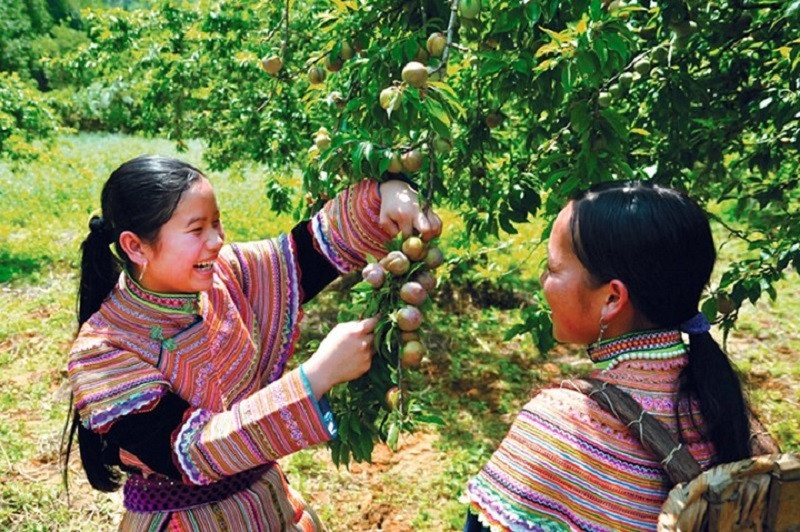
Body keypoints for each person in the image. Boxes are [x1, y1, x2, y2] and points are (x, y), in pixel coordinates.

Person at [64, 155, 441, 530]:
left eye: (216, 222)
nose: (216, 240)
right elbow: (189, 451)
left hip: (269, 505)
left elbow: (312, 250)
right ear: (135, 246)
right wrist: (314, 378)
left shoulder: (225, 276)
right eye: (197, 230)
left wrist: (383, 194)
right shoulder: (104, 352)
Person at [464, 180, 765, 531]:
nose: (543, 279)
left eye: (553, 268)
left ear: (612, 299)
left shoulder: (561, 427)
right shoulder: (721, 406)